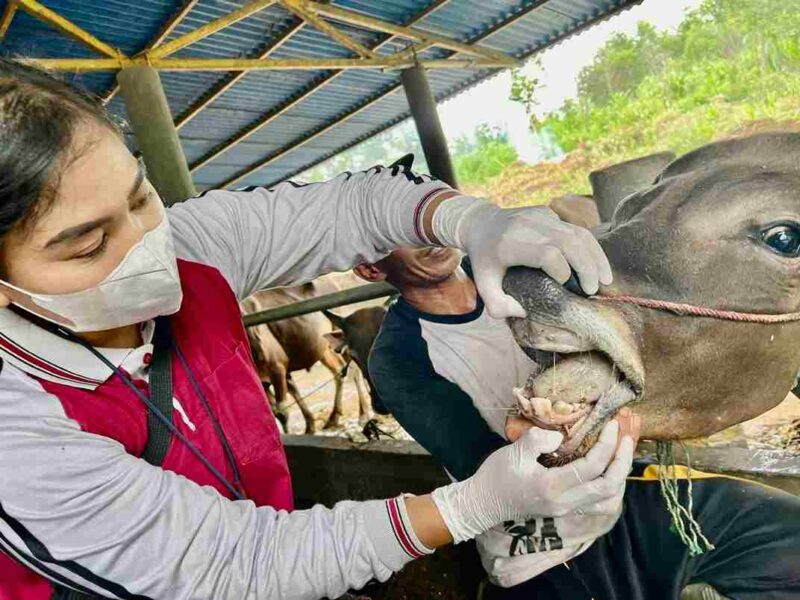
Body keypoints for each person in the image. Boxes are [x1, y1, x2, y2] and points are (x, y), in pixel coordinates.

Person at [0, 59, 637, 600]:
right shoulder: (14, 426)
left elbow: (354, 204)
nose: (148, 246)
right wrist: (474, 506)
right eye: (85, 245)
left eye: (141, 199)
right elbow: (234, 565)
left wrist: (471, 222)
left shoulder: (192, 243)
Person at [365, 247, 800, 600]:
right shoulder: (397, 358)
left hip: (624, 488)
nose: (423, 237)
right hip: (540, 541)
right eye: (398, 233)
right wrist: (542, 434)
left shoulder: (523, 275)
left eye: (424, 220)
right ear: (369, 265)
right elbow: (479, 462)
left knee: (789, 532)